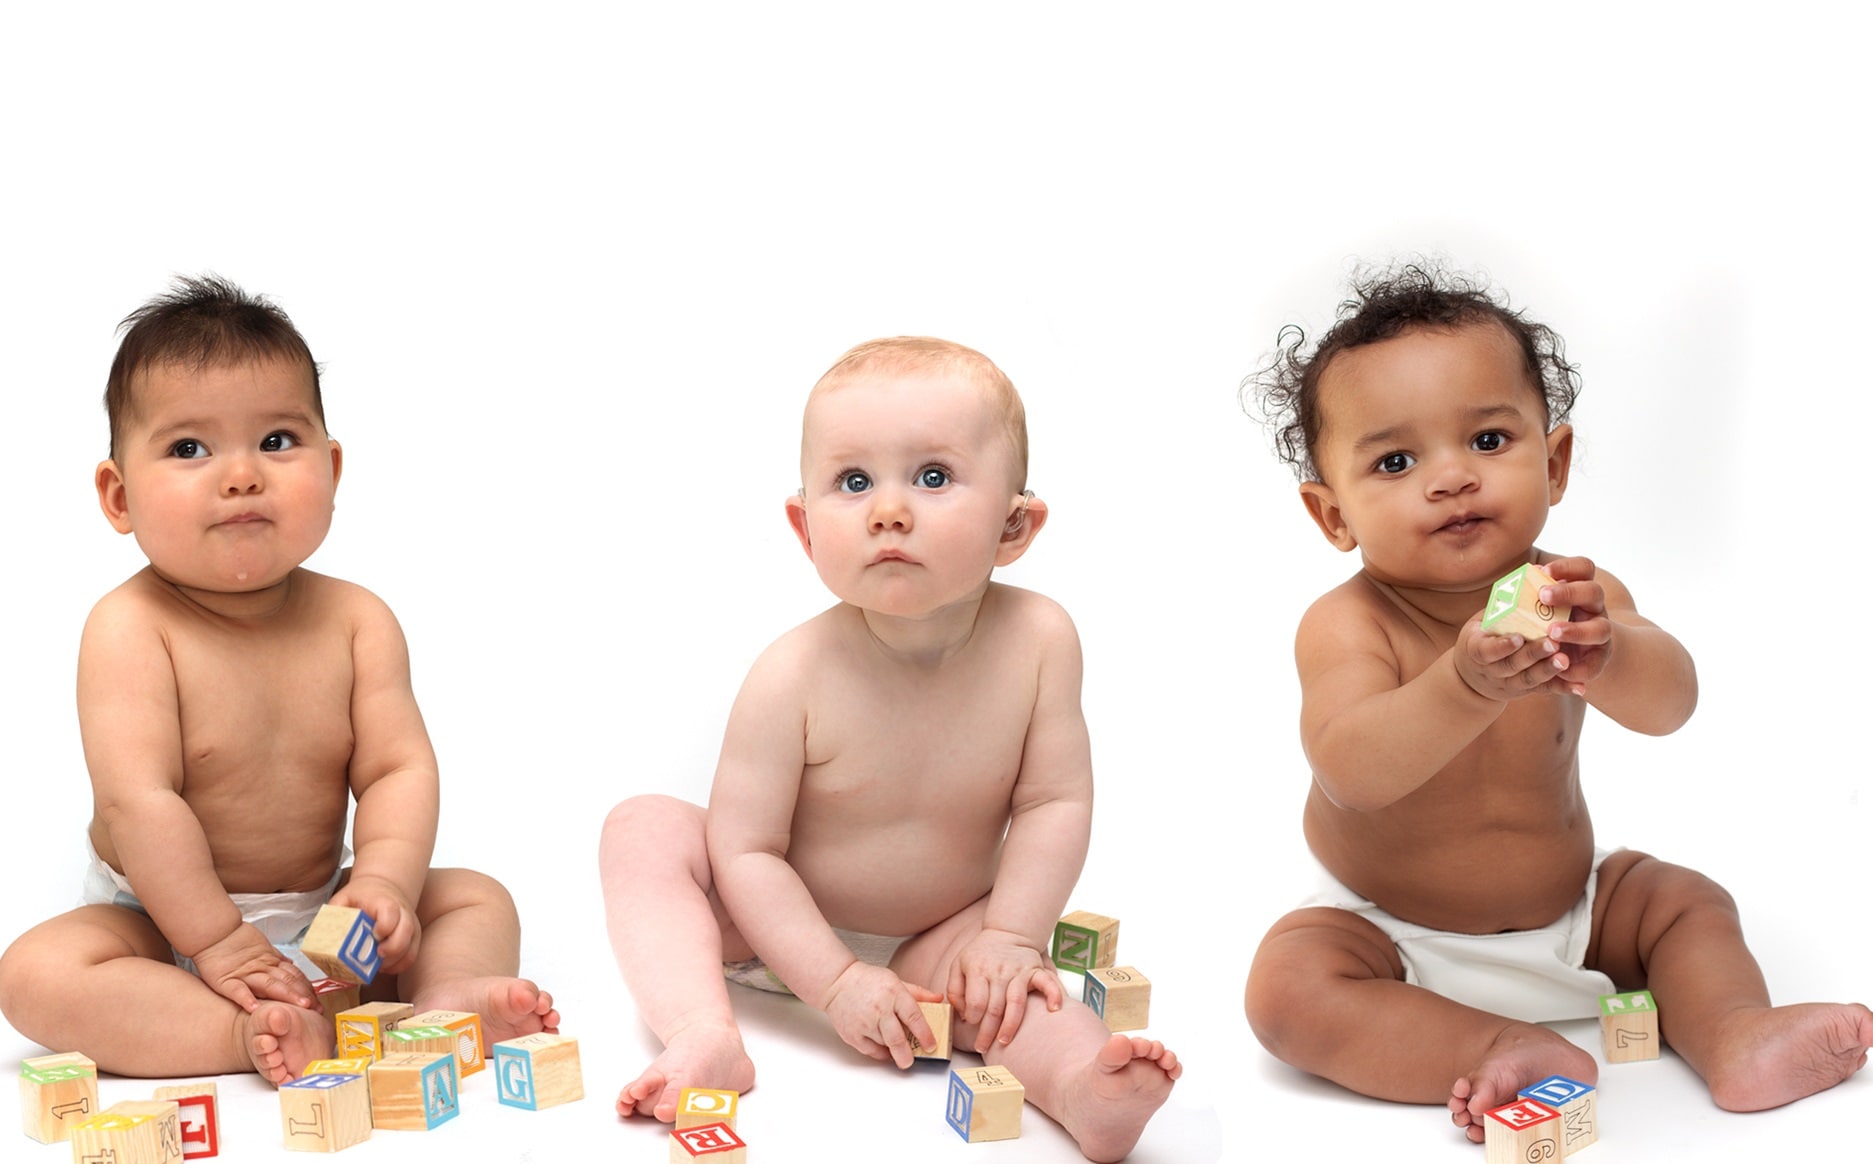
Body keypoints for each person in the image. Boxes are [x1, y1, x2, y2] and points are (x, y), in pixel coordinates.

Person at [1240, 264, 1873, 1142]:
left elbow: (1671, 705)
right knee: (1285, 993)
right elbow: (1350, 770)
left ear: (1556, 458)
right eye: (1395, 460)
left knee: (1684, 902)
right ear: (1331, 514)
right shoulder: (1348, 625)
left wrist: (1609, 653)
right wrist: (1461, 686)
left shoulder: (1577, 592)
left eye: (1489, 441)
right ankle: (1502, 1045)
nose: (1452, 478)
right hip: (1393, 939)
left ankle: (1733, 1035)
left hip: (1574, 911)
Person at [599, 337, 1180, 1162]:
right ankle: (702, 1030)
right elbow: (747, 848)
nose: (888, 510)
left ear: (1014, 526)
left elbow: (1054, 800)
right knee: (645, 827)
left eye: (933, 477)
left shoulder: (1041, 640)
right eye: (854, 481)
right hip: (769, 926)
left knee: (1014, 994)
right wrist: (833, 982)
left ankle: (1084, 1088)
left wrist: (1010, 937)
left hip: (940, 933)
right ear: (805, 530)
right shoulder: (791, 673)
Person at [0, 276, 557, 1085]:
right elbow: (141, 803)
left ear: (331, 469)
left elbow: (398, 767)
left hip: (327, 910)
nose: (240, 476)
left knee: (476, 897)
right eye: (189, 448)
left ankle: (440, 1001)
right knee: (37, 971)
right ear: (118, 496)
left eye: (276, 441)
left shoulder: (357, 620)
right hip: (164, 929)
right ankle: (243, 1035)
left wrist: (382, 886)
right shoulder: (130, 629)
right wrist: (216, 941)